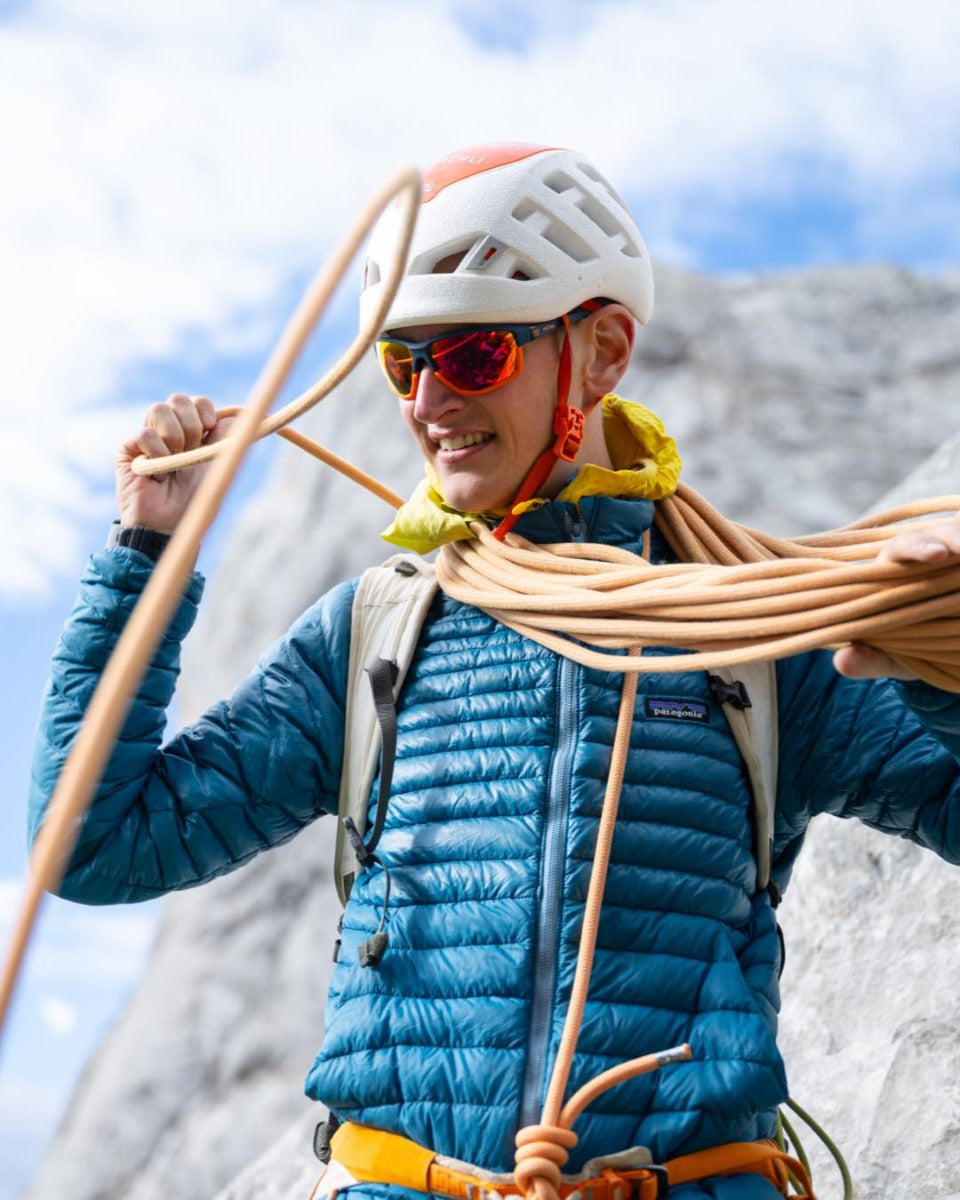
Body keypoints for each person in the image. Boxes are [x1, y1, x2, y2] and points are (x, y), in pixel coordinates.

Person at [29, 144, 960, 1200]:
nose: (428, 402)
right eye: (402, 364)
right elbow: (94, 842)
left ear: (601, 352)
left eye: (472, 356)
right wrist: (146, 559)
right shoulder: (375, 632)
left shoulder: (753, 631)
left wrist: (936, 665)